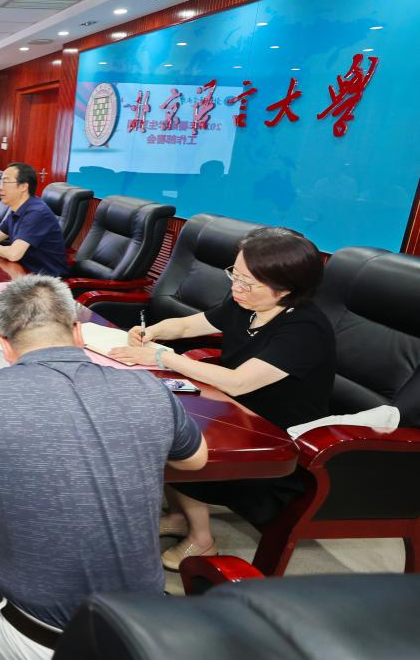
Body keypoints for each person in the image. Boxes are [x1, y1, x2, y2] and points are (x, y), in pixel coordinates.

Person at [0, 275, 207, 660]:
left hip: (38, 643)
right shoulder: (148, 387)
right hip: (141, 634)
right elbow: (195, 458)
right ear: (77, 332)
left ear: (5, 345)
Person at [108, 227, 334, 570]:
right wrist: (152, 331)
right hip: (235, 413)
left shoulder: (304, 329)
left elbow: (238, 382)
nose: (236, 287)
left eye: (248, 282)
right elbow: (187, 327)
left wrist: (162, 357)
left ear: (287, 287)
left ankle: (202, 541)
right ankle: (180, 516)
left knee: (177, 440)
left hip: (274, 434)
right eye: (235, 275)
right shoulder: (246, 304)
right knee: (159, 417)